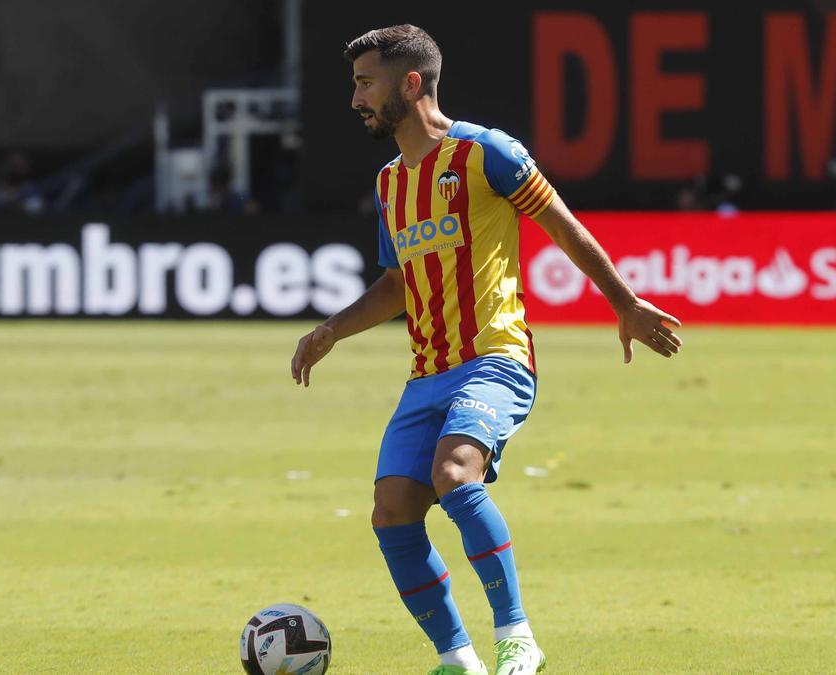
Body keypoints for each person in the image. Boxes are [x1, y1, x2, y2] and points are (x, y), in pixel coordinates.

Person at [290, 25, 683, 675]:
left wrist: (625, 302)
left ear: (410, 83)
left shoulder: (485, 153)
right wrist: (332, 328)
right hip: (427, 374)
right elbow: (396, 286)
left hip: (497, 357)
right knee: (391, 512)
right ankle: (458, 657)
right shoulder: (391, 184)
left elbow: (562, 223)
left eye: (366, 83)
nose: (355, 99)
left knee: (455, 475)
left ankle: (517, 637)